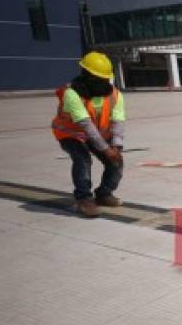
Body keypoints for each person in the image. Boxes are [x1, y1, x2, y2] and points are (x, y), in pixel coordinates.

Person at [51, 51, 126, 218]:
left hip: (96, 136)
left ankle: (103, 194)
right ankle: (83, 199)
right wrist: (106, 149)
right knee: (83, 159)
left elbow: (118, 121)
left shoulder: (114, 94)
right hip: (71, 135)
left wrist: (116, 146)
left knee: (116, 162)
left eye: (106, 78)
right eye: (100, 79)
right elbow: (85, 125)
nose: (105, 82)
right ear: (88, 76)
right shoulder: (72, 94)